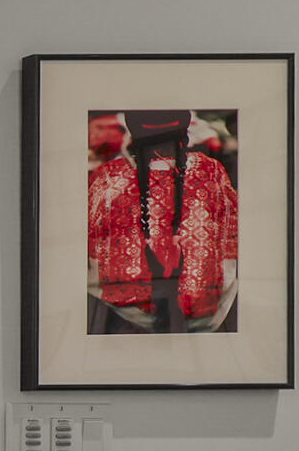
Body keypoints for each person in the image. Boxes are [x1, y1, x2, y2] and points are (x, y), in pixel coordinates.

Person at [86, 110, 238, 332]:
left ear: (134, 136)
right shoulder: (210, 170)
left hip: (128, 309)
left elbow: (91, 244)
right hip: (206, 308)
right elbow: (232, 239)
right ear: (184, 135)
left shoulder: (109, 177)